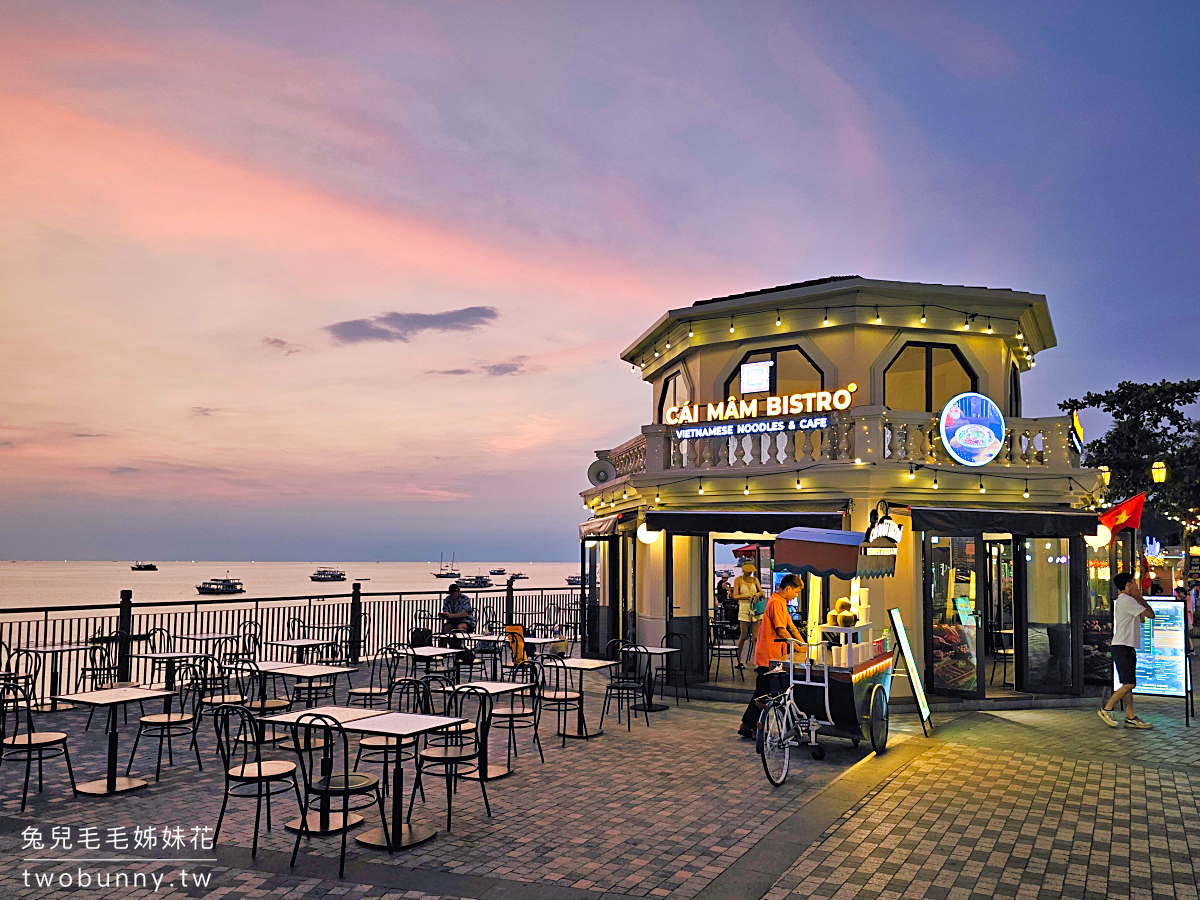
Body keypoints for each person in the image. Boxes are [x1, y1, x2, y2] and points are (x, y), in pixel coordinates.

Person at [738, 573, 806, 739]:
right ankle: (749, 726)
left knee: (766, 691)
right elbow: (781, 629)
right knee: (765, 692)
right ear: (788, 588)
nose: (796, 595)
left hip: (775, 655)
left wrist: (804, 644)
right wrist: (798, 646)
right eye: (796, 592)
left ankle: (749, 726)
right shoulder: (775, 602)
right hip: (768, 656)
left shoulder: (781, 602)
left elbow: (791, 625)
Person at [1099, 572, 1155, 729]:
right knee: (1129, 684)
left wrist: (1138, 599)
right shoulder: (1127, 600)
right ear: (1128, 585)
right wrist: (1141, 598)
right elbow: (1150, 615)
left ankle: (1130, 717)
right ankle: (1106, 709)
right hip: (1123, 646)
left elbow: (1142, 619)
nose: (1137, 587)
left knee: (1127, 682)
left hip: (1125, 646)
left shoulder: (1125, 601)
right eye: (1135, 584)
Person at [733, 559, 764, 669]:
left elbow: (762, 592)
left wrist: (756, 595)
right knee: (743, 635)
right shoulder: (738, 580)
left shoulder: (755, 580)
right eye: (747, 571)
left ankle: (757, 662)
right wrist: (747, 597)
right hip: (744, 608)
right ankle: (738, 659)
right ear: (743, 570)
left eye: (751, 571)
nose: (749, 573)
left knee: (755, 637)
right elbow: (735, 596)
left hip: (755, 608)